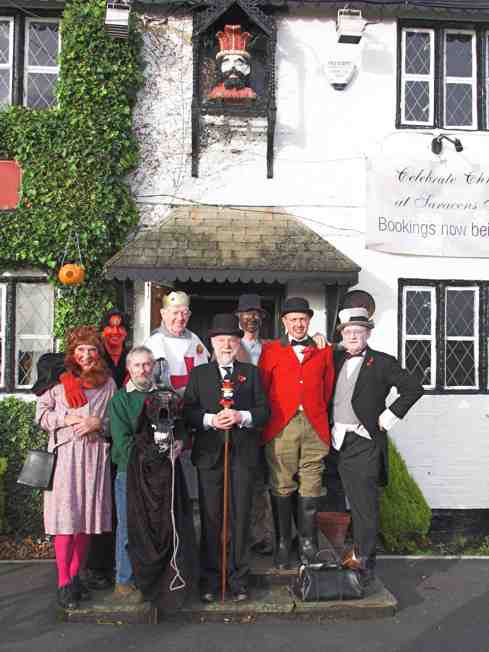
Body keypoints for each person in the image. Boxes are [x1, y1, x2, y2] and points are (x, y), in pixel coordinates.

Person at [331, 307, 423, 586]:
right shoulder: (335, 359)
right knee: (340, 503)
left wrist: (389, 416)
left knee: (364, 507)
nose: (353, 336)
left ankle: (365, 565)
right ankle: (350, 555)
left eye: (358, 331)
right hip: (335, 440)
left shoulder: (382, 362)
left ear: (368, 333)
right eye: (348, 332)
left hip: (364, 442)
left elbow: (413, 388)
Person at [183, 314, 270, 603]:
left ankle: (239, 579)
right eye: (221, 340)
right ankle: (210, 578)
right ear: (211, 343)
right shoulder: (199, 375)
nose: (227, 345)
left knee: (240, 517)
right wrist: (209, 420)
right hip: (210, 456)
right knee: (211, 518)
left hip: (242, 456)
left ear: (238, 343)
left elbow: (263, 411)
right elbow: (189, 412)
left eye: (232, 340)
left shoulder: (251, 373)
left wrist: (241, 416)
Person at [36, 326, 116, 609]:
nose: (86, 355)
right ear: (73, 353)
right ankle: (63, 582)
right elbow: (41, 415)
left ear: (98, 352)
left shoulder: (107, 384)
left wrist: (99, 423)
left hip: (94, 457)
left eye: (91, 349)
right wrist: (66, 419)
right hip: (66, 457)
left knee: (84, 522)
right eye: (80, 350)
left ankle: (75, 577)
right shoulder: (58, 381)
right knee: (65, 521)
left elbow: (114, 420)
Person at [259, 297, 335, 568]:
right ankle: (282, 543)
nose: (299, 324)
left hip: (314, 424)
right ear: (284, 322)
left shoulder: (324, 350)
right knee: (281, 483)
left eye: (303, 319)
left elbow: (327, 389)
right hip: (282, 426)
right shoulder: (270, 351)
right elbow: (263, 389)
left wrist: (314, 411)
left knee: (312, 483)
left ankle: (308, 544)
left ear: (309, 320)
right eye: (293, 319)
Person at [145, 290, 209, 498]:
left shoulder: (195, 341)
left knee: (189, 472)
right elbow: (155, 383)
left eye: (184, 313)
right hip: (166, 416)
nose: (180, 318)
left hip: (191, 413)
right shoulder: (154, 342)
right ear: (163, 313)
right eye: (175, 313)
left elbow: (204, 375)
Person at [208, 24, 257, 101]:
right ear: (220, 68)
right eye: (226, 63)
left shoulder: (250, 93)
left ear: (247, 69)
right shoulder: (216, 93)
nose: (232, 67)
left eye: (238, 63)